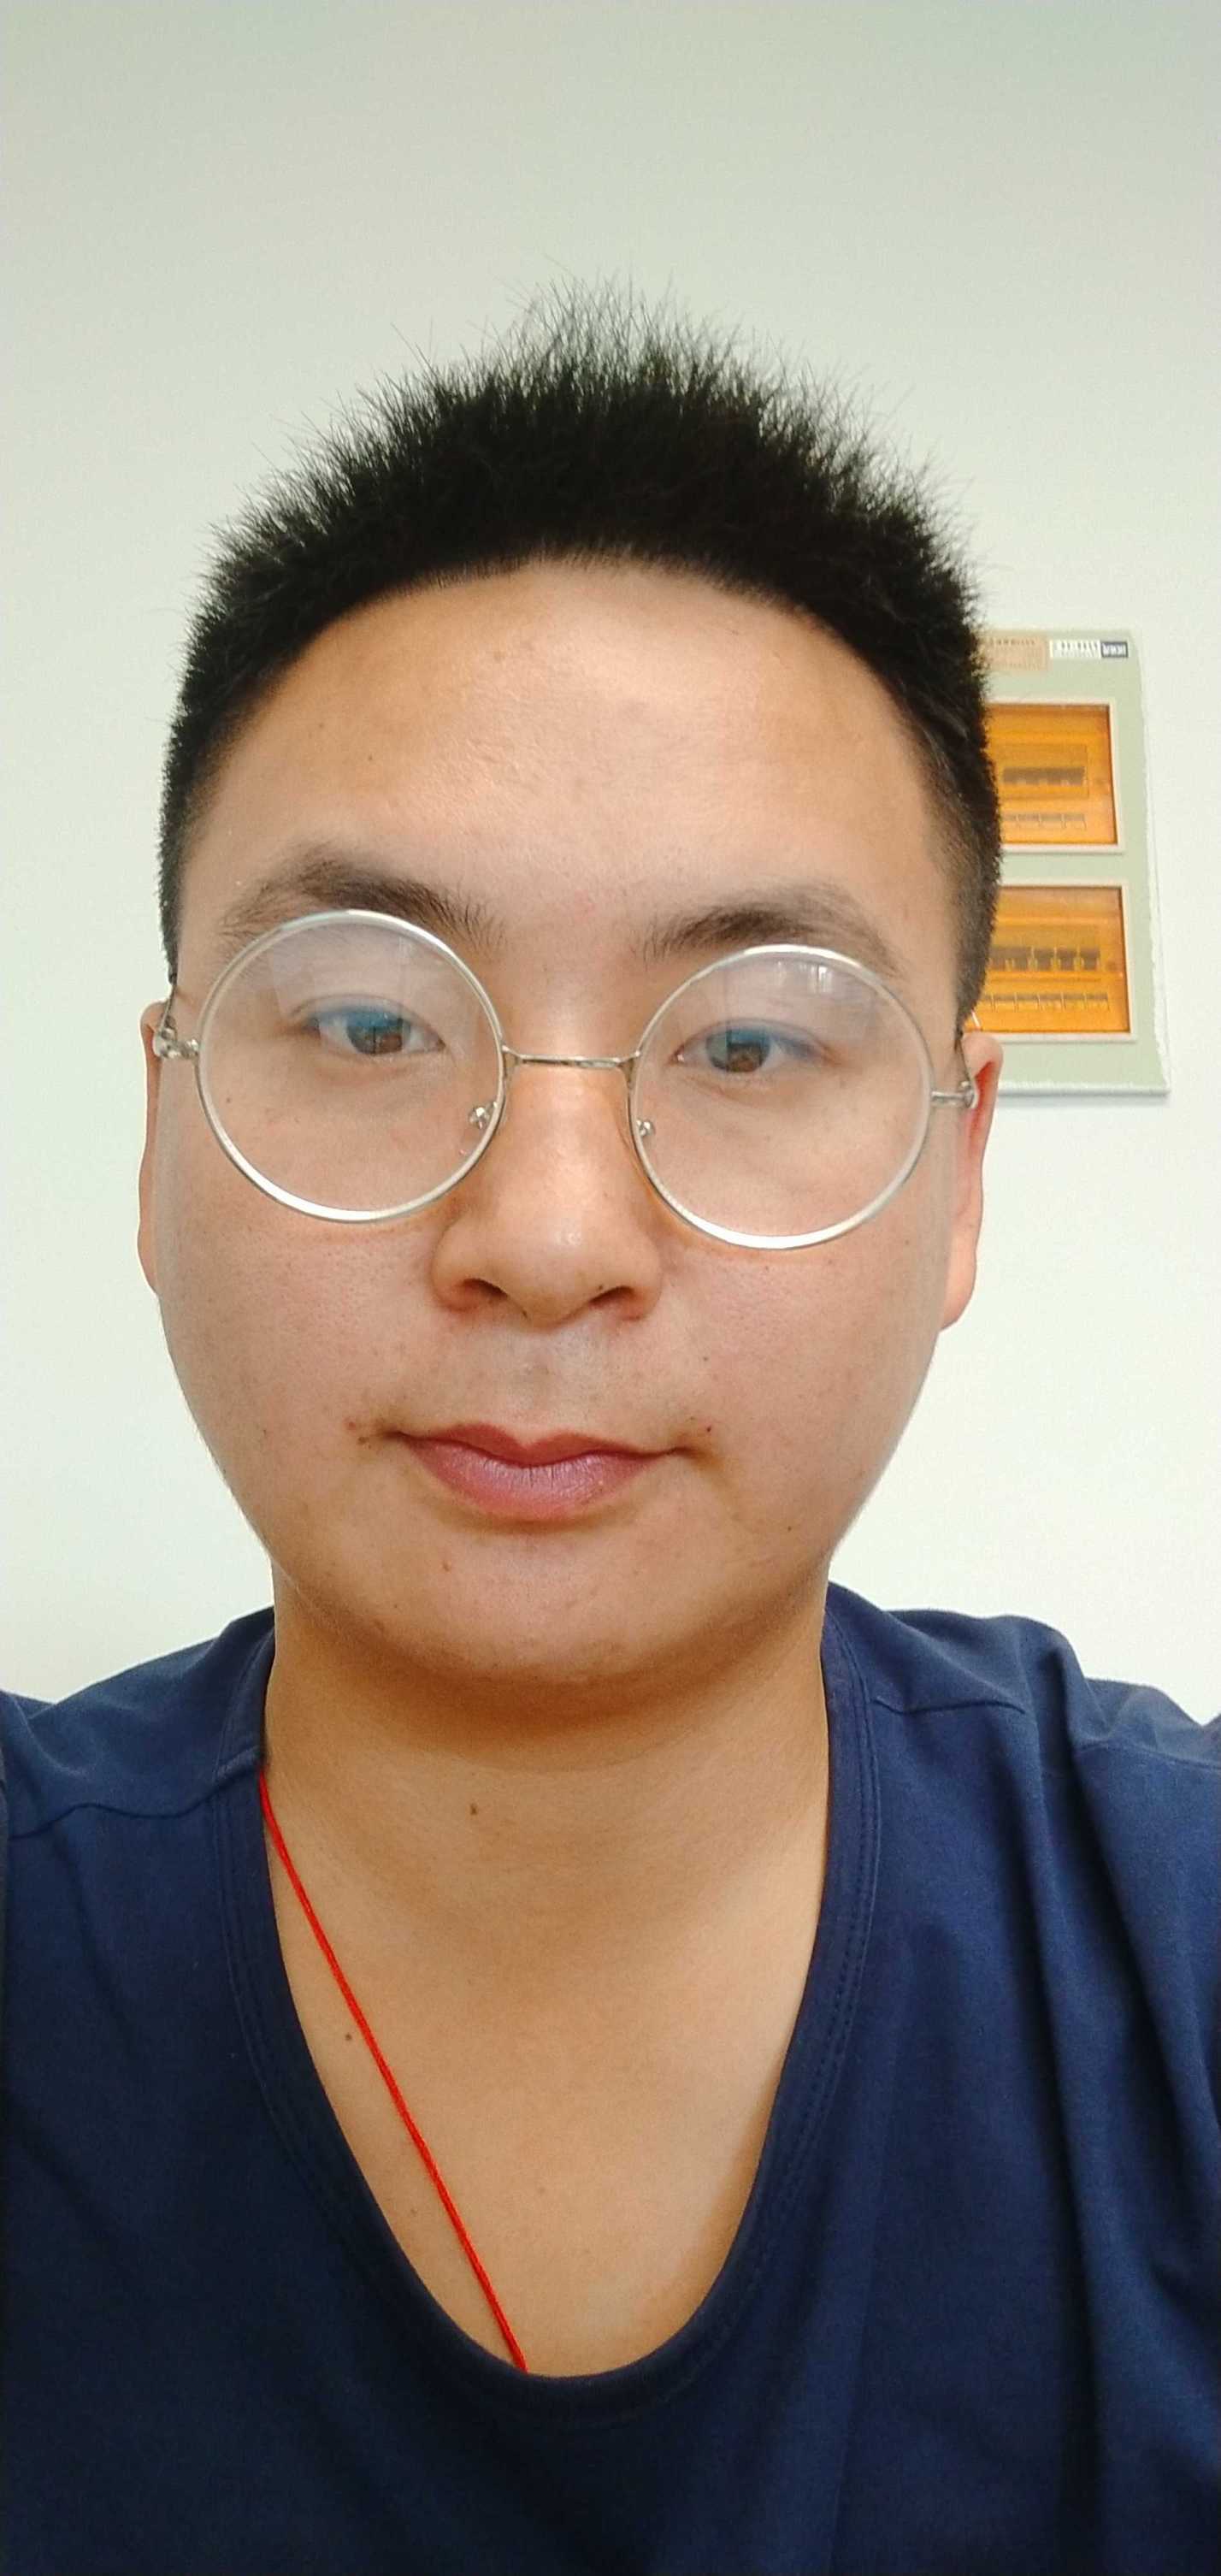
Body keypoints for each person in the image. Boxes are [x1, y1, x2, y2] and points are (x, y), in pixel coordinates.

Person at [1, 278, 1216, 2576]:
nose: (546, 1237)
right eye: (370, 1021)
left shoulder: (1173, 1966)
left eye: (748, 1042)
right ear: (159, 1134)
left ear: (959, 1173)